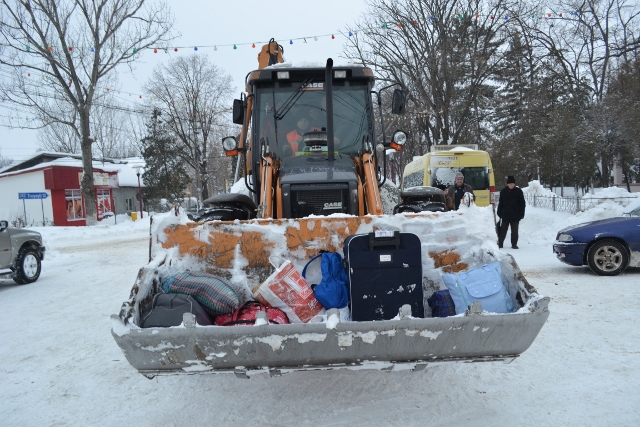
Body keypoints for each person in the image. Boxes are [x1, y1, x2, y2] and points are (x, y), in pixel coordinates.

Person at [497, 175, 526, 249]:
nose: (511, 185)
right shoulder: (503, 192)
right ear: (507, 184)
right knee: (503, 230)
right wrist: (499, 212)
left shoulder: (518, 191)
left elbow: (522, 203)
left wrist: (521, 214)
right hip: (505, 214)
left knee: (515, 231)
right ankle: (500, 244)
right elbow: (501, 203)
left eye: (513, 184)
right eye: (510, 184)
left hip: (515, 215)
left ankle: (514, 244)